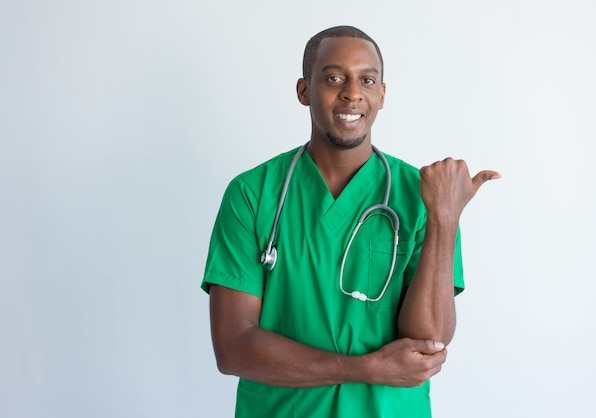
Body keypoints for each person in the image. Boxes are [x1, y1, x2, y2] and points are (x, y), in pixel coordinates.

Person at [201, 25, 499, 418]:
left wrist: (444, 219)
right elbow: (234, 347)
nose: (352, 93)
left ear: (382, 95)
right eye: (333, 77)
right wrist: (364, 368)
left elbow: (427, 342)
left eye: (367, 79)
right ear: (304, 90)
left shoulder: (421, 194)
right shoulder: (252, 194)